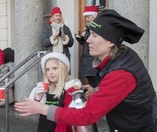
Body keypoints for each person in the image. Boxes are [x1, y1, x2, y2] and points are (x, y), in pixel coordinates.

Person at [15, 9, 156, 132]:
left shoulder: (120, 74)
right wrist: (98, 90)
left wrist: (42, 109)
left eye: (95, 36)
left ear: (111, 42)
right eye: (90, 34)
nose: (88, 40)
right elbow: (123, 89)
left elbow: (86, 116)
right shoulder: (122, 55)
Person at [28, 52, 81, 132]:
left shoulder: (70, 88)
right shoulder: (44, 87)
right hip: (44, 128)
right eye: (47, 69)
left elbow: (71, 115)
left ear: (63, 68)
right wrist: (38, 96)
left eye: (54, 68)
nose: (50, 73)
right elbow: (33, 109)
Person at [75, 5, 101, 88]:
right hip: (87, 57)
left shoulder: (96, 27)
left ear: (94, 16)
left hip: (92, 58)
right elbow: (86, 43)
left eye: (88, 17)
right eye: (86, 17)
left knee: (95, 82)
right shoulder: (89, 27)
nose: (87, 19)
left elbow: (94, 41)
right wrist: (80, 39)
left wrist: (85, 35)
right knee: (91, 81)